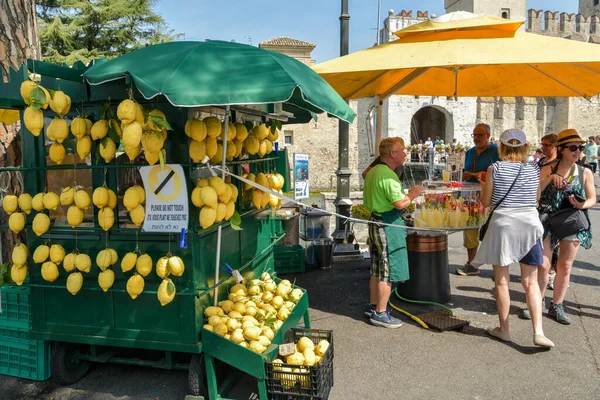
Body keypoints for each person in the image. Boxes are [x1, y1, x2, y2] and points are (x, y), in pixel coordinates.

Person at [473, 129, 554, 348]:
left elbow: (486, 201)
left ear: (501, 147)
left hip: (504, 225)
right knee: (530, 282)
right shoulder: (533, 168)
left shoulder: (495, 168)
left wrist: (484, 186)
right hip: (529, 225)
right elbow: (536, 197)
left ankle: (504, 329)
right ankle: (538, 331)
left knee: (501, 280)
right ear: (524, 147)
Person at [363, 137, 424, 328]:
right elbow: (399, 203)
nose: (406, 153)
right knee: (386, 270)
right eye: (402, 150)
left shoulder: (374, 171)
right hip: (386, 224)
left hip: (375, 220)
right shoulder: (387, 175)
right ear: (392, 154)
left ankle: (373, 305)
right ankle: (380, 313)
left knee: (376, 267)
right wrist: (412, 194)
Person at [538, 129, 596, 325]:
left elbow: (592, 199)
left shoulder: (584, 171)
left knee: (565, 265)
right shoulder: (548, 169)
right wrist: (549, 180)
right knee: (544, 264)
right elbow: (535, 196)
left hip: (572, 220)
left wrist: (582, 204)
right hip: (548, 220)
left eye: (580, 148)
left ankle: (557, 305)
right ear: (561, 149)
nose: (577, 151)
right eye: (573, 147)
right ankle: (536, 302)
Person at [456, 123, 500, 276]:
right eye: (474, 135)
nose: (476, 138)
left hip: (491, 196)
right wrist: (465, 174)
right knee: (470, 229)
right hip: (469, 196)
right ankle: (471, 264)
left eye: (480, 135)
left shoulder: (497, 151)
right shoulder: (469, 152)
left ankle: (499, 268)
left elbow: (500, 174)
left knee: (493, 231)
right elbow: (461, 172)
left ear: (488, 135)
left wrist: (484, 175)